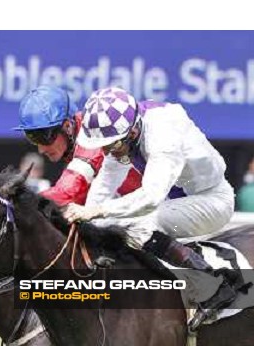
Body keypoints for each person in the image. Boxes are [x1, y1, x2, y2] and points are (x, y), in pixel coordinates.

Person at [64, 86, 242, 327]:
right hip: (180, 201)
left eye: (112, 146)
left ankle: (214, 286)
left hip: (213, 201)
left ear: (133, 131)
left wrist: (96, 211)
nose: (107, 152)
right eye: (102, 147)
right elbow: (104, 185)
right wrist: (87, 219)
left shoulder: (162, 134)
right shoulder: (125, 133)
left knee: (140, 223)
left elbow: (150, 197)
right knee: (106, 221)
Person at [13, 85, 142, 207]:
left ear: (67, 126)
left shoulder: (93, 134)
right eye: (32, 137)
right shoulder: (74, 139)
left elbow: (66, 193)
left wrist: (15, 204)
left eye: (43, 137)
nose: (41, 149)